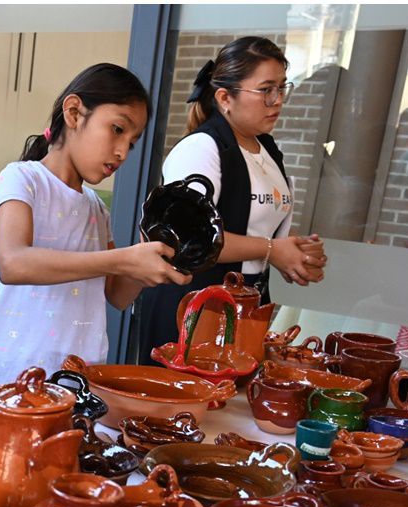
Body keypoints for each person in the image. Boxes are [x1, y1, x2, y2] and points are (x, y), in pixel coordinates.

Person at [0, 63, 190, 390]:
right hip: (11, 381)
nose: (122, 152)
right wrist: (124, 259)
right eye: (118, 129)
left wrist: (150, 257)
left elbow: (116, 295)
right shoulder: (22, 179)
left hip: (78, 383)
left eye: (131, 143)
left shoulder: (96, 208)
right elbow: (13, 263)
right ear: (74, 113)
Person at [138, 36, 328, 355]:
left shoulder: (267, 148)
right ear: (226, 97)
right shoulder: (202, 149)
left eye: (282, 87)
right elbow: (189, 239)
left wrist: (294, 250)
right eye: (266, 89)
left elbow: (256, 227)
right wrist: (272, 250)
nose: (277, 100)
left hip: (244, 303)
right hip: (195, 307)